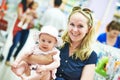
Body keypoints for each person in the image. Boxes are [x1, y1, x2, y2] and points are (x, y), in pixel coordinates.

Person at [12, 6, 98, 80]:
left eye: (80, 26)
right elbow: (28, 57)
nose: (75, 30)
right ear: (67, 24)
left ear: (88, 29)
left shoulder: (90, 56)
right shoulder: (56, 43)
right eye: (72, 24)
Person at [5, 0, 34, 66]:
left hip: (26, 29)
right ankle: (7, 59)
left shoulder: (32, 7)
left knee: (22, 44)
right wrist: (27, 16)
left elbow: (33, 19)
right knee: (15, 43)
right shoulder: (21, 5)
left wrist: (30, 21)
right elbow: (19, 17)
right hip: (19, 28)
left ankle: (15, 56)